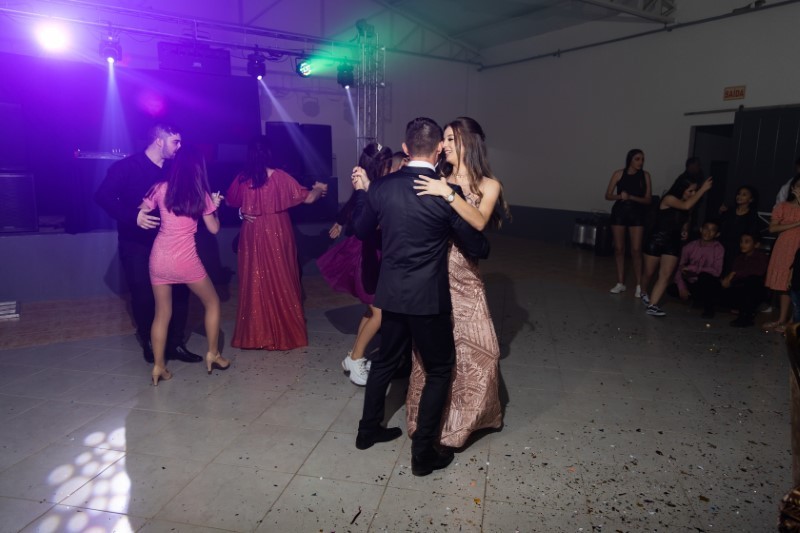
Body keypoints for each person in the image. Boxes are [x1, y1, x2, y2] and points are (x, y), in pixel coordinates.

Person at [351, 117, 490, 477]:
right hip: (428, 299)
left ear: (406, 148)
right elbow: (479, 247)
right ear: (438, 149)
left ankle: (367, 432)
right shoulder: (444, 192)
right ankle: (423, 453)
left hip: (392, 294)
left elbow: (362, 231)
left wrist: (365, 193)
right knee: (439, 369)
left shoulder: (382, 188)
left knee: (384, 362)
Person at [408, 116, 510, 448]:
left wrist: (449, 194)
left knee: (482, 350)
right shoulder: (436, 177)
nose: (445, 145)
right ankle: (431, 419)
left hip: (466, 275)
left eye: (452, 138)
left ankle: (468, 418)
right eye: (445, 139)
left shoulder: (489, 185)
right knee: (436, 352)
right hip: (434, 272)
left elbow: (478, 222)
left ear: (469, 142)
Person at [95, 124, 202, 364]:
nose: (179, 147)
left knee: (180, 292)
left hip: (171, 244)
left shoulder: (174, 169)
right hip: (137, 245)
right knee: (143, 294)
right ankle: (150, 343)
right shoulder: (127, 167)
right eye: (175, 142)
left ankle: (175, 344)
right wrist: (133, 216)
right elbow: (102, 196)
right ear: (159, 141)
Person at [137, 147, 229, 385]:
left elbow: (141, 211)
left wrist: (140, 216)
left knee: (161, 313)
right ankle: (213, 354)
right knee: (212, 302)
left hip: (159, 257)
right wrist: (214, 207)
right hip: (185, 260)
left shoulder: (159, 188)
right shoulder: (201, 194)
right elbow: (214, 229)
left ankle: (159, 367)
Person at [225, 137, 327, 351]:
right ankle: (283, 332)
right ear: (269, 153)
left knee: (254, 280)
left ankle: (255, 335)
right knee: (281, 277)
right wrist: (319, 188)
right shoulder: (280, 177)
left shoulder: (243, 178)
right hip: (277, 232)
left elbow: (229, 200)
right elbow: (309, 198)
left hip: (252, 231)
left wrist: (242, 211)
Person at [316, 142, 392, 385]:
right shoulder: (369, 190)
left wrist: (340, 221)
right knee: (379, 313)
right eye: (388, 165)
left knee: (371, 310)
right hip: (366, 256)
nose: (391, 168)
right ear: (379, 167)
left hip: (372, 254)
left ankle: (353, 356)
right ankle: (356, 358)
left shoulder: (373, 187)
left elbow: (352, 205)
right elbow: (359, 212)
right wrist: (343, 219)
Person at [640, 175, 713, 316]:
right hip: (657, 239)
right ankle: (643, 291)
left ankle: (653, 305)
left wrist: (684, 229)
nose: (692, 193)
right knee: (649, 273)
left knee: (666, 274)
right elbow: (686, 206)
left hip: (673, 241)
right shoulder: (669, 198)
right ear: (681, 188)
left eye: (695, 191)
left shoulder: (689, 202)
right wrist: (702, 190)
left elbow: (686, 216)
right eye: (690, 191)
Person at [604, 149, 652, 296]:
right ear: (630, 159)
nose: (641, 162)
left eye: (642, 159)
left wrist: (631, 197)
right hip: (619, 212)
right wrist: (620, 196)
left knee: (636, 250)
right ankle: (620, 283)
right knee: (619, 248)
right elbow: (607, 195)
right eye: (637, 159)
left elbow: (648, 200)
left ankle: (639, 285)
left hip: (637, 214)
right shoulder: (618, 173)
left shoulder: (645, 175)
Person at [765, 176, 800, 333]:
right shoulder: (783, 206)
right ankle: (781, 319)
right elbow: (772, 228)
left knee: (796, 283)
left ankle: (793, 321)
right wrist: (797, 223)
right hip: (785, 247)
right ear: (793, 188)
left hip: (799, 248)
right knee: (784, 284)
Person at [674, 220, 724, 318]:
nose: (708, 232)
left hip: (708, 282)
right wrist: (682, 287)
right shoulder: (690, 246)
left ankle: (709, 309)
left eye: (712, 230)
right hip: (692, 280)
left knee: (704, 277)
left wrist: (694, 268)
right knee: (672, 289)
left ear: (717, 234)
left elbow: (717, 272)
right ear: (701, 229)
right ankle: (697, 298)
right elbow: (679, 267)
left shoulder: (718, 248)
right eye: (706, 228)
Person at [720, 232, 768, 327]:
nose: (742, 244)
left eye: (746, 242)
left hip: (755, 289)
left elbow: (759, 272)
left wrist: (735, 273)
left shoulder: (761, 257)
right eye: (741, 242)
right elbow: (733, 275)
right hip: (741, 287)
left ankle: (746, 316)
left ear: (756, 244)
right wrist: (728, 280)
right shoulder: (739, 258)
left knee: (751, 281)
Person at [718, 185, 762, 272]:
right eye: (739, 194)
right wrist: (720, 213)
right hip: (722, 247)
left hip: (738, 250)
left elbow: (752, 234)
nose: (739, 196)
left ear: (751, 199)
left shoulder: (752, 216)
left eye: (744, 194)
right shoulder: (728, 211)